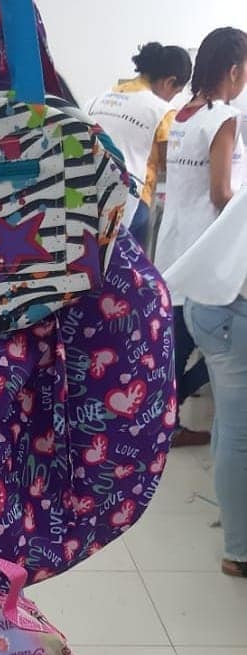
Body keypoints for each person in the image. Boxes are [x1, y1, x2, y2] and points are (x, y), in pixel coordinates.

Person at [158, 27, 247, 575]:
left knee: (185, 363)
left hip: (175, 253)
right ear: (234, 69)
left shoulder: (183, 114)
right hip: (210, 265)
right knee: (225, 398)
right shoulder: (225, 118)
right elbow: (221, 194)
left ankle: (164, 431)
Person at [88, 42, 193, 248]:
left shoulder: (96, 100)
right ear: (170, 82)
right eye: (176, 92)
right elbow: (170, 165)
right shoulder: (162, 111)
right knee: (129, 264)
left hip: (88, 196)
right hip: (131, 205)